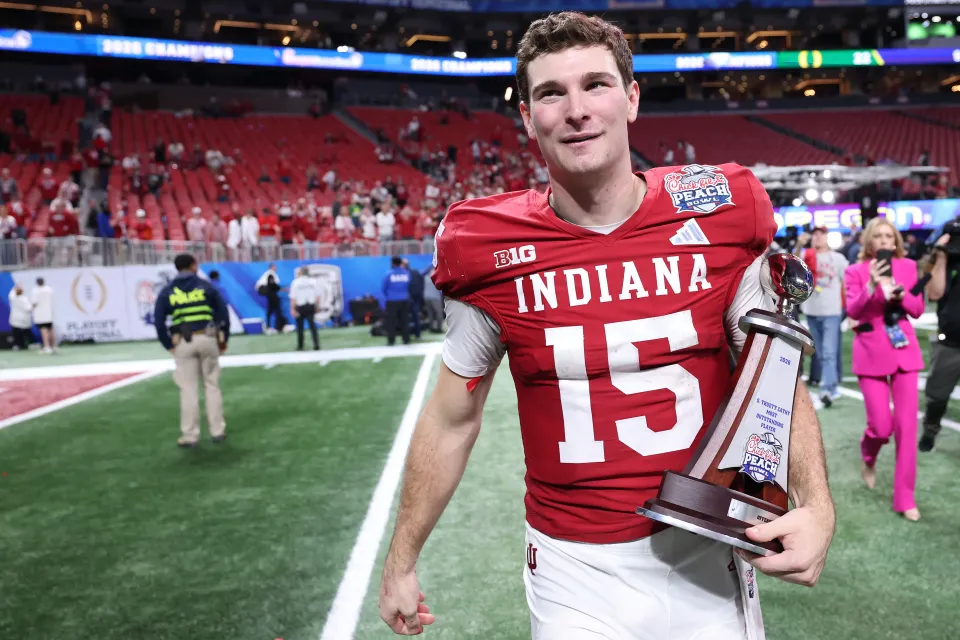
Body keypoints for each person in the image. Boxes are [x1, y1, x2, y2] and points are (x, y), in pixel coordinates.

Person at [378, 12, 835, 640]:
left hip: (707, 544)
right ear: (527, 116)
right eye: (550, 92)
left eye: (595, 84)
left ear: (632, 98)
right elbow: (453, 415)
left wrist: (816, 503)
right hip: (573, 567)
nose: (576, 110)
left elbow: (771, 375)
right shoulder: (485, 245)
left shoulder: (722, 210)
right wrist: (401, 560)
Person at [844, 217, 924, 521]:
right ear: (869, 241)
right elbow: (853, 310)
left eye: (889, 237)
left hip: (905, 352)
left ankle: (905, 498)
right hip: (870, 352)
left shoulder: (909, 266)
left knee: (906, 428)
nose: (885, 241)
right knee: (881, 426)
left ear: (896, 241)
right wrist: (873, 285)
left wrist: (903, 297)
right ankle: (869, 456)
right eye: (878, 236)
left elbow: (917, 310)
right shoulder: (855, 271)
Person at [153, 253, 230, 448]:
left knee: (188, 389)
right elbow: (223, 314)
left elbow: (159, 321)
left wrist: (168, 344)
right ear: (194, 266)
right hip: (207, 337)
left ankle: (190, 436)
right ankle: (217, 430)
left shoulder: (168, 290)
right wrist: (223, 340)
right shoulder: (206, 286)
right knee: (211, 386)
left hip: (183, 342)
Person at [796, 227, 848, 407]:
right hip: (811, 310)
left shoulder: (838, 259)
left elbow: (847, 283)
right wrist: (798, 245)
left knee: (828, 351)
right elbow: (794, 266)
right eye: (815, 234)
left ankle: (828, 388)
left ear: (827, 237)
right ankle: (830, 386)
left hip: (832, 311)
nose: (818, 237)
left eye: (821, 234)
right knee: (820, 352)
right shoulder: (807, 256)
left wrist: (850, 308)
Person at [920, 228, 959, 451]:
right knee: (937, 396)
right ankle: (931, 427)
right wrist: (942, 257)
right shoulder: (949, 256)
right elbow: (934, 294)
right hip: (950, 340)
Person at [289, 266, 321, 351]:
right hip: (310, 306)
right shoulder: (313, 282)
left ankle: (300, 345)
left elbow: (293, 298)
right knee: (312, 326)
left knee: (300, 327)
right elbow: (317, 296)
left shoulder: (296, 282)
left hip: (300, 306)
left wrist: (292, 309)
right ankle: (316, 344)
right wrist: (317, 306)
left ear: (301, 273)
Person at [382, 256, 411, 346]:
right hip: (404, 300)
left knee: (391, 321)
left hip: (392, 300)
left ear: (393, 263)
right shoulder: (406, 273)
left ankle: (391, 340)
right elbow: (409, 285)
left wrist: (390, 296)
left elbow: (384, 288)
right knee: (404, 320)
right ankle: (406, 339)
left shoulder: (389, 274)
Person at [256, 263, 283, 334]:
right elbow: (272, 285)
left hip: (269, 293)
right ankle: (278, 327)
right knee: (277, 310)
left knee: (271, 311)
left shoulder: (269, 274)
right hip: (270, 293)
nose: (276, 268)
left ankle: (270, 326)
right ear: (272, 267)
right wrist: (280, 288)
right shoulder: (270, 274)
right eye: (275, 267)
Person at [30, 277, 55, 354]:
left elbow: (34, 303)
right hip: (49, 313)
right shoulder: (49, 289)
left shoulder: (36, 291)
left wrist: (30, 308)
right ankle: (54, 346)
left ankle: (47, 346)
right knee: (51, 329)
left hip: (40, 314)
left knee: (43, 330)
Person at [7, 283, 33, 350]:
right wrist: (35, 306)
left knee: (16, 334)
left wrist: (16, 287)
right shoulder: (24, 299)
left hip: (15, 319)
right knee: (25, 333)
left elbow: (11, 293)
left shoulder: (12, 297)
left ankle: (17, 345)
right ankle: (27, 344)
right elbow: (29, 308)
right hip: (23, 319)